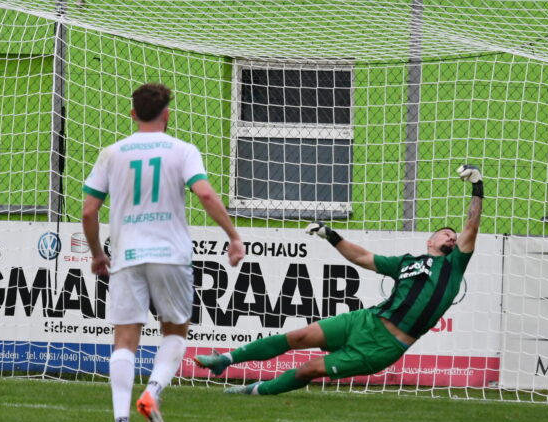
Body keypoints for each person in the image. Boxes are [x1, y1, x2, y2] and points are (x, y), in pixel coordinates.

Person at [194, 164, 484, 396]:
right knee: (297, 337)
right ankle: (225, 361)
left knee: (309, 370)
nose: (452, 236)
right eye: (446, 232)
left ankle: (254, 391)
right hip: (365, 320)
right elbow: (361, 257)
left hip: (384, 346)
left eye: (454, 236)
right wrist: (331, 235)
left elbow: (471, 226)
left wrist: (477, 186)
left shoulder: (454, 264)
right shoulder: (407, 263)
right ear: (430, 240)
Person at [82, 83, 245, 422]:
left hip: (127, 256)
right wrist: (233, 236)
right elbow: (203, 192)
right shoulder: (183, 150)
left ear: (133, 114)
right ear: (167, 114)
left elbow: (89, 211)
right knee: (175, 332)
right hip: (171, 256)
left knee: (124, 341)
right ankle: (152, 392)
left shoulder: (112, 153)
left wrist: (97, 253)